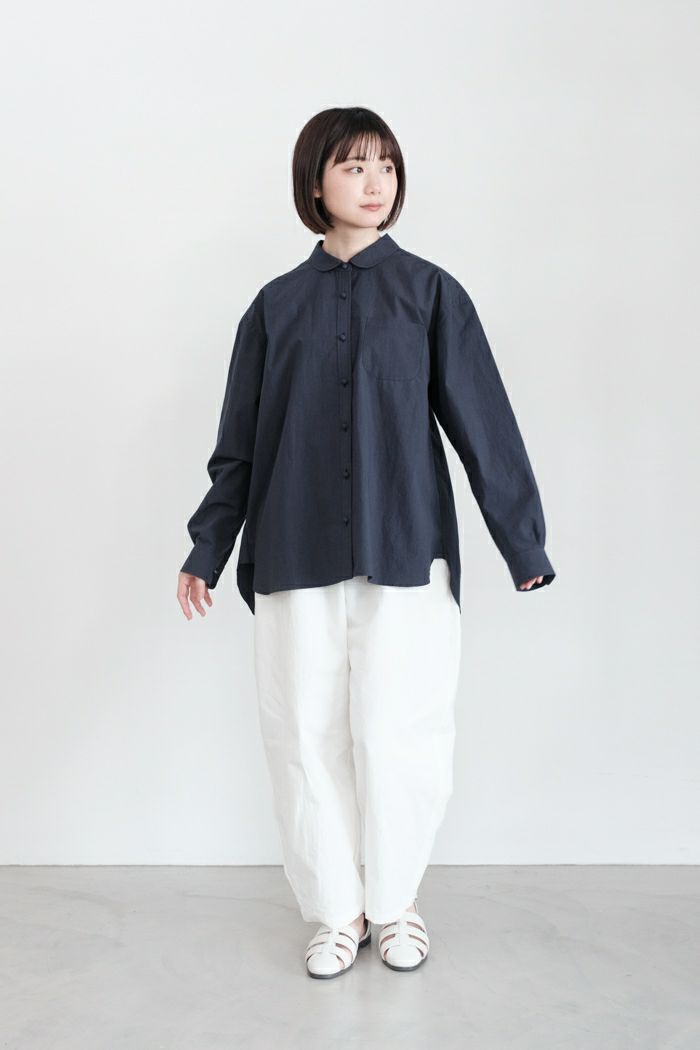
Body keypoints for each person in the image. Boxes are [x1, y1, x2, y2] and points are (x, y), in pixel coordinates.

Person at [177, 106, 556, 979]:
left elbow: (484, 422)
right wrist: (208, 548)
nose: (375, 181)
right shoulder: (274, 307)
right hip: (293, 547)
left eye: (385, 164)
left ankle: (395, 905)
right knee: (303, 737)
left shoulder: (431, 294)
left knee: (401, 732)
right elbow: (239, 446)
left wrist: (522, 542)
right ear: (315, 184)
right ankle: (336, 912)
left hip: (405, 548)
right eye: (352, 166)